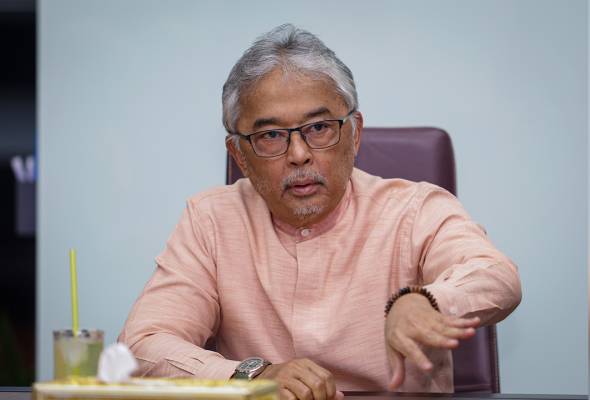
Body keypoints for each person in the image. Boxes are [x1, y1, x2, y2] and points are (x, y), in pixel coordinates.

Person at [119, 24, 521, 398]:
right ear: (240, 155)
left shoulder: (415, 209)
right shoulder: (210, 219)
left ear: (355, 133)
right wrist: (251, 377)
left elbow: (496, 275)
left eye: (319, 128)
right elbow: (140, 346)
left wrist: (425, 301)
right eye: (271, 135)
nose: (299, 154)